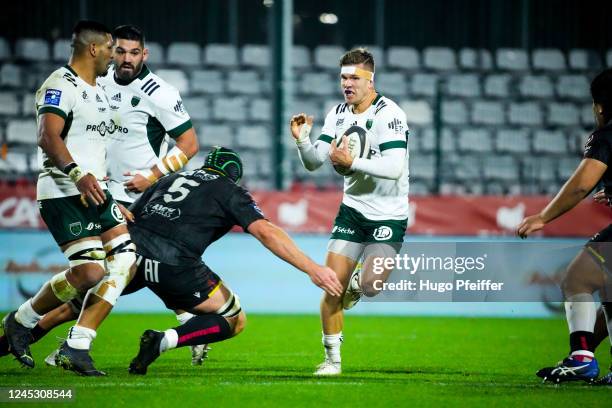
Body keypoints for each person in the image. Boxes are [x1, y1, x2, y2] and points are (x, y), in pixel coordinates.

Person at [2, 147, 343, 375]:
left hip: (132, 250)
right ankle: (164, 340)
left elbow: (131, 217)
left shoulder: (169, 179)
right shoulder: (229, 191)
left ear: (207, 165)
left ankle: (16, 338)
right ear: (233, 176)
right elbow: (266, 231)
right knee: (233, 317)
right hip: (174, 262)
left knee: (81, 301)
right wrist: (312, 268)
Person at [1, 20, 138, 376]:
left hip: (96, 192)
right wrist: (78, 175)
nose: (113, 54)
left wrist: (109, 193)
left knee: (125, 260)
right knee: (91, 271)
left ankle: (77, 345)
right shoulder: (60, 85)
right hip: (63, 191)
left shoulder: (98, 90)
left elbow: (94, 150)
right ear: (93, 49)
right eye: (110, 47)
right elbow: (48, 136)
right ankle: (21, 319)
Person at [289, 48, 409, 376]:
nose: (347, 83)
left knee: (371, 286)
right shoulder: (338, 113)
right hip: (352, 212)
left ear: (371, 80)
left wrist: (351, 162)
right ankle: (332, 361)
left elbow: (395, 167)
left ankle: (357, 284)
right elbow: (315, 162)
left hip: (388, 216)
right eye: (343, 77)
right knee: (331, 286)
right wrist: (302, 142)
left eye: (354, 77)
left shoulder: (389, 114)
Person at [100, 24, 205, 365]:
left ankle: (67, 341)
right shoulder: (95, 83)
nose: (127, 59)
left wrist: (153, 175)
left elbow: (189, 144)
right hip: (101, 191)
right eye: (121, 51)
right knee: (129, 271)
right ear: (109, 51)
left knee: (108, 272)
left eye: (134, 52)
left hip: (138, 198)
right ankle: (190, 321)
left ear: (145, 54)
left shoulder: (159, 91)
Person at [517, 68, 612, 384]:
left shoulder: (606, 135)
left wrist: (543, 216)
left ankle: (581, 358)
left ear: (599, 106)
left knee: (576, 280)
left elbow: (580, 185)